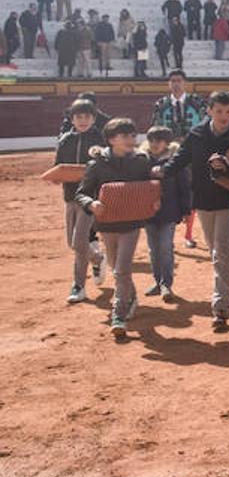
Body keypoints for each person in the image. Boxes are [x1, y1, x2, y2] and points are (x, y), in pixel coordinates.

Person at [155, 90, 229, 331]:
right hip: (203, 197)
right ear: (209, 110)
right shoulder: (197, 133)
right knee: (214, 249)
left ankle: (220, 306)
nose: (224, 116)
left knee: (221, 249)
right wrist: (165, 170)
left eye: (228, 112)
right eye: (219, 111)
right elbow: (181, 157)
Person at [75, 117, 154, 339]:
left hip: (131, 224)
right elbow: (81, 193)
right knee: (115, 265)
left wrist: (154, 200)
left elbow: (150, 189)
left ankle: (117, 316)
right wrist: (91, 203)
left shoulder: (140, 161)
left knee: (121, 269)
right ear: (111, 140)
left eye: (132, 135)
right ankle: (130, 297)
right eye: (125, 136)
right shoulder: (97, 164)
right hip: (106, 224)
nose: (131, 139)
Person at [56, 100, 104, 304]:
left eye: (87, 117)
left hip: (89, 198)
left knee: (78, 242)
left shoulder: (99, 139)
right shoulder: (65, 140)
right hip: (69, 196)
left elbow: (104, 168)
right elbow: (58, 166)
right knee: (72, 243)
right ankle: (97, 257)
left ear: (93, 118)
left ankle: (79, 285)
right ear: (72, 119)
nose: (83, 121)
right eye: (78, 117)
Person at [142, 126, 191, 302]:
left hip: (169, 211)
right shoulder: (142, 160)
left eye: (159, 140)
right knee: (153, 249)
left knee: (165, 246)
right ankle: (158, 282)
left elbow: (184, 187)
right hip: (148, 213)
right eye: (152, 140)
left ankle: (166, 284)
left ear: (167, 143)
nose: (155, 144)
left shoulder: (175, 162)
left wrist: (186, 210)